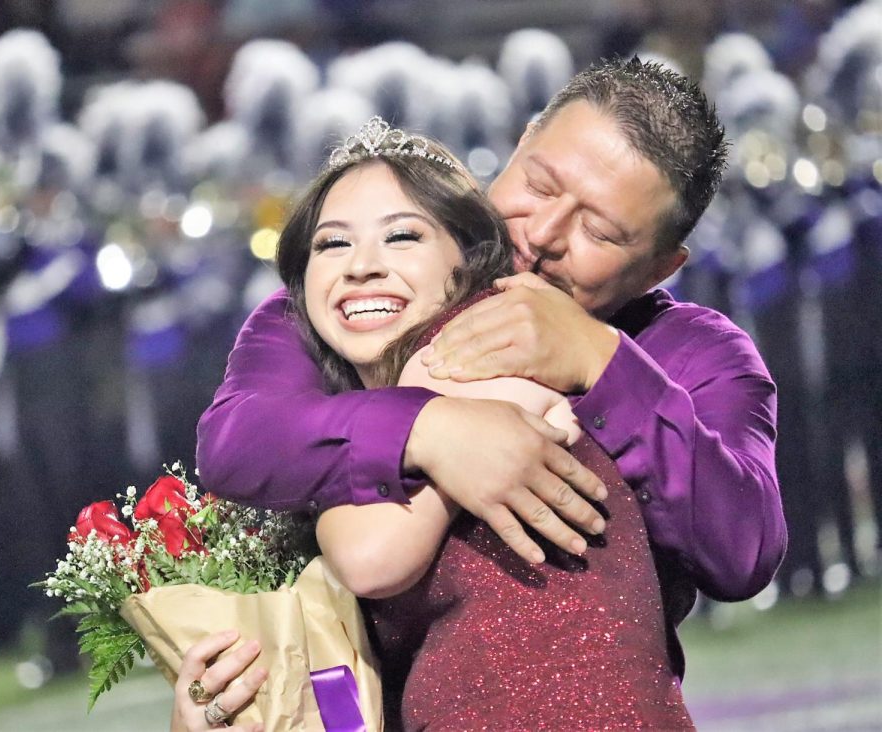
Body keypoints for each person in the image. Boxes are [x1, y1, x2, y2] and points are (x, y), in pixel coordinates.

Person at [197, 59, 785, 654]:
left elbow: (745, 551)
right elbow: (234, 440)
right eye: (539, 185)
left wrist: (603, 364)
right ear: (523, 138)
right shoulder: (362, 300)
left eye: (600, 233)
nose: (545, 232)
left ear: (661, 268)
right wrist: (429, 428)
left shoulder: (693, 354)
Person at [175, 121, 693, 729]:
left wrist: (427, 410)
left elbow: (368, 558)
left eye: (402, 236)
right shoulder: (359, 372)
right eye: (332, 244)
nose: (362, 266)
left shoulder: (478, 349)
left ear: (469, 260)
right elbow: (233, 441)